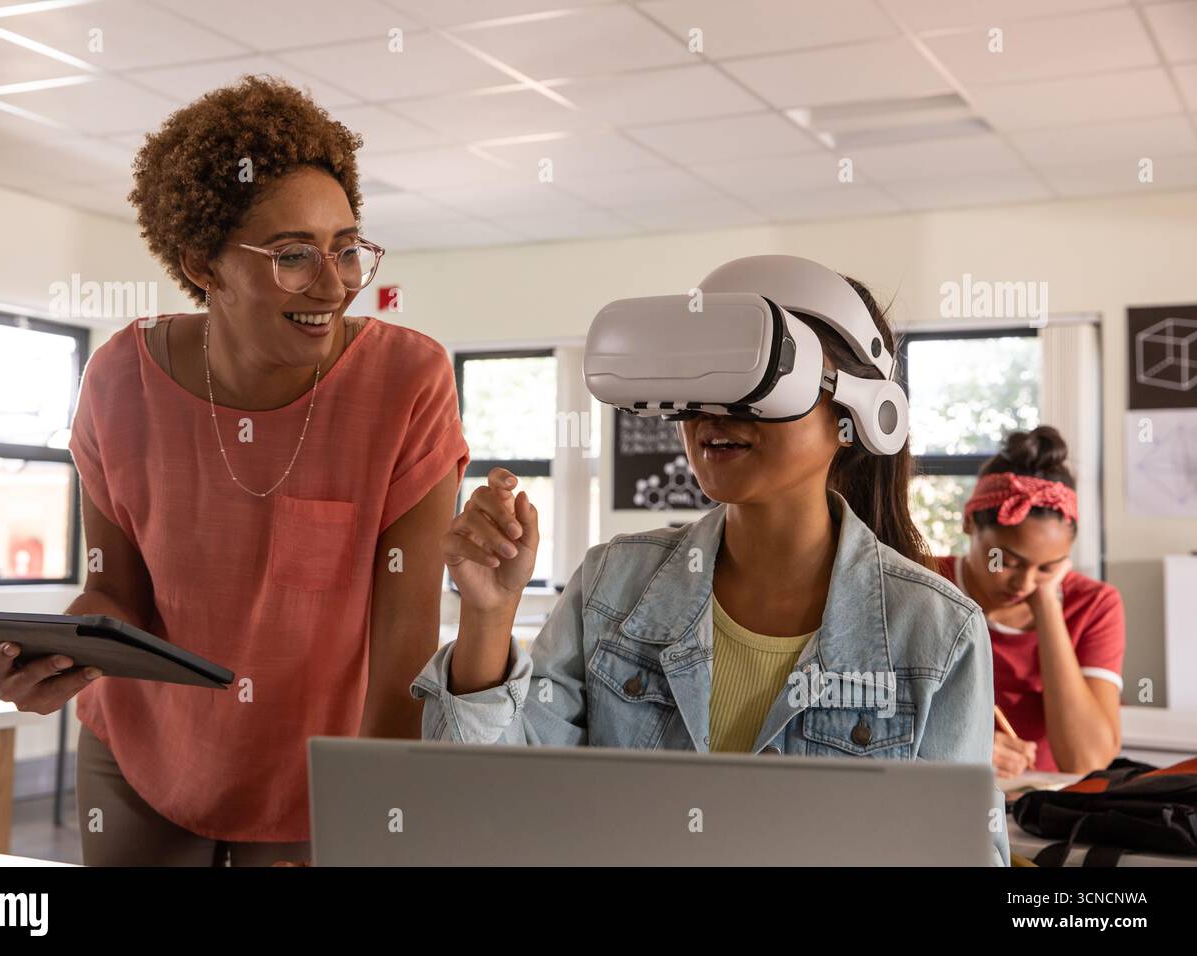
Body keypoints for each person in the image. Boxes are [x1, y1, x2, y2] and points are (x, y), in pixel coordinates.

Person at [0, 75, 470, 865]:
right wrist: (61, 654)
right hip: (143, 751)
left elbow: (405, 649)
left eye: (347, 247)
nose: (336, 282)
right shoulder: (118, 379)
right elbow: (117, 589)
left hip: (318, 771)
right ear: (203, 264)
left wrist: (379, 815)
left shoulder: (407, 383)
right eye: (292, 256)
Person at [412, 258, 1011, 865]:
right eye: (699, 378)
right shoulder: (612, 587)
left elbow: (959, 853)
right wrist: (488, 616)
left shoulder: (936, 632)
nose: (712, 414)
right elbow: (490, 802)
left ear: (854, 413)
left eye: (755, 381)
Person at [936, 426, 1124, 778]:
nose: (1024, 584)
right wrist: (961, 744)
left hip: (1042, 807)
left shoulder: (1095, 604)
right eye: (1007, 561)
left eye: (1048, 567)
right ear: (968, 523)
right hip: (943, 792)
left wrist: (1048, 607)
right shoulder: (924, 582)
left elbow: (1087, 762)